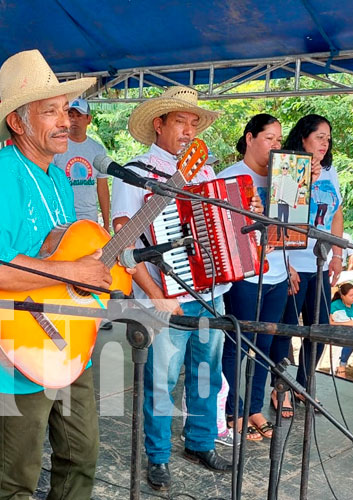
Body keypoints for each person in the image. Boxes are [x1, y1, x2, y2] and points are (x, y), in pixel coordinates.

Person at [0, 49, 113, 499]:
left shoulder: (60, 179)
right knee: (15, 475)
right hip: (18, 342)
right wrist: (73, 273)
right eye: (50, 111)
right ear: (17, 122)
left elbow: (73, 259)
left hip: (69, 338)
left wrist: (101, 270)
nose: (65, 120)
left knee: (81, 458)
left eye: (66, 109)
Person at [111, 86, 245, 490]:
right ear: (159, 124)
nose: (189, 130)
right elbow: (123, 242)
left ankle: (200, 442)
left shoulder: (206, 173)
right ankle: (158, 456)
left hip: (210, 291)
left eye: (194, 123)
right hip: (164, 297)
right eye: (180, 121)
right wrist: (155, 294)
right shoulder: (136, 172)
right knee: (162, 380)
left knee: (207, 372)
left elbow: (221, 229)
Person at [218, 114, 290, 433]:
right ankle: (233, 411)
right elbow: (221, 235)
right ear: (250, 138)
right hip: (245, 277)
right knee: (238, 343)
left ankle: (255, 408)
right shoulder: (230, 177)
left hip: (278, 276)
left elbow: (293, 226)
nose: (275, 145)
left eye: (279, 140)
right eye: (268, 138)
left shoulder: (286, 177)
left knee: (264, 343)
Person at [273, 114, 344, 414]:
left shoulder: (331, 172)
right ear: (303, 138)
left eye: (328, 138)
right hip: (292, 261)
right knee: (287, 330)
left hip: (319, 261)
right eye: (319, 137)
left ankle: (303, 383)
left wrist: (337, 254)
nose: (325, 144)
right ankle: (280, 387)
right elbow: (280, 216)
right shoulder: (286, 169)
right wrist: (284, 263)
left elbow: (337, 213)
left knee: (321, 327)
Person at [52, 98, 110, 232]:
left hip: (89, 219)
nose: (74, 120)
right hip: (63, 220)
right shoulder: (56, 147)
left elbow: (103, 188)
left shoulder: (97, 150)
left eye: (79, 116)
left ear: (89, 119)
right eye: (70, 115)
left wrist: (107, 223)